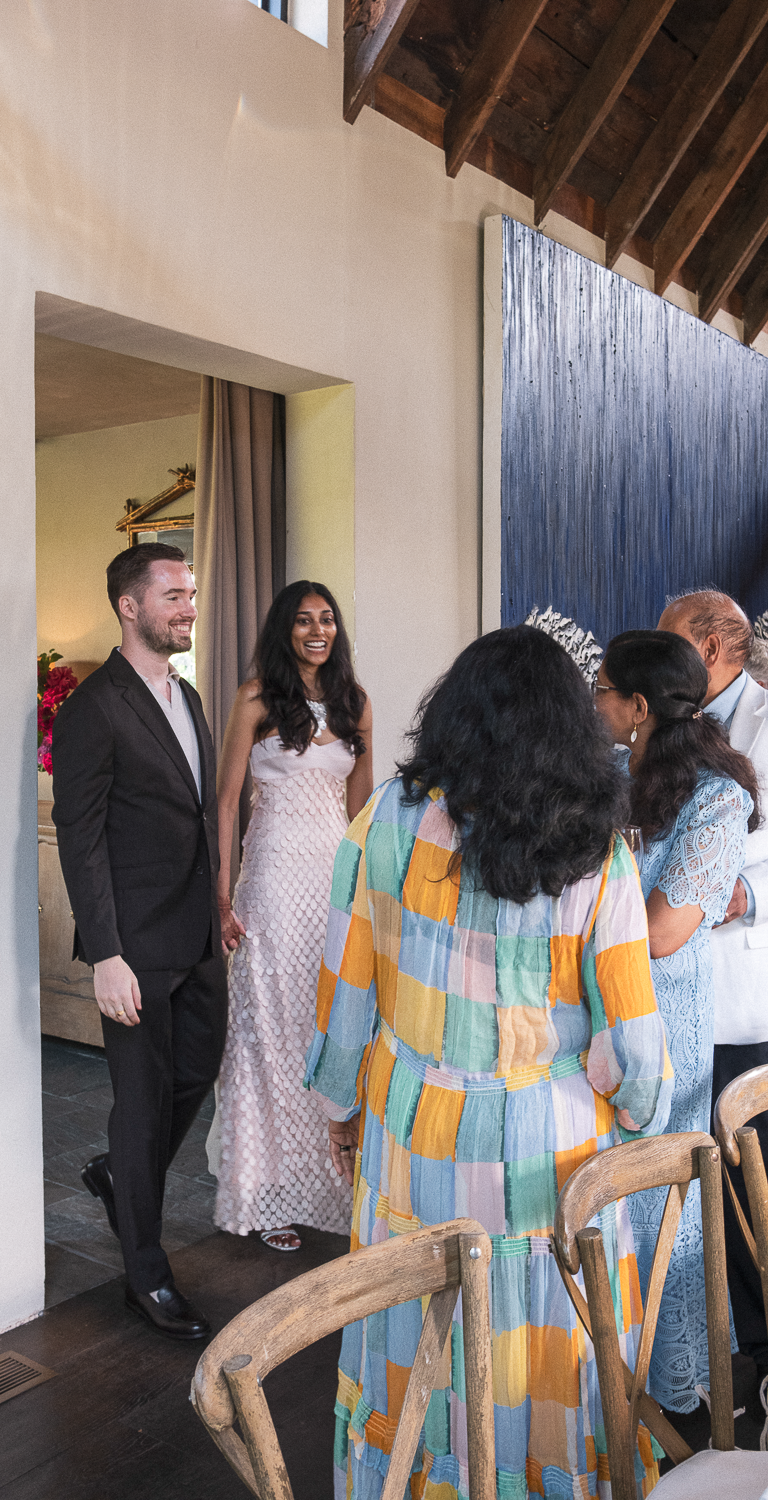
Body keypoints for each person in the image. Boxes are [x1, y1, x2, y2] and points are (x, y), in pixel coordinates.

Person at [305, 626, 674, 1499]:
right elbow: (636, 1049)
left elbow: (344, 988)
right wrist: (634, 1108)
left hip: (413, 1136)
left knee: (419, 1332)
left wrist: (340, 1107)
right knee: (541, 1349)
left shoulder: (385, 821)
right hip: (553, 1154)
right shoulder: (597, 844)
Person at [50, 542, 234, 1340]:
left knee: (198, 1067)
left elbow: (193, 816)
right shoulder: (94, 707)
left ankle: (122, 1179)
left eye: (190, 594)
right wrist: (107, 954)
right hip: (135, 947)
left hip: (196, 936)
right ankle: (146, 1276)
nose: (188, 606)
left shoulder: (185, 696)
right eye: (174, 596)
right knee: (139, 1100)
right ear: (130, 606)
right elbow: (79, 833)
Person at [594, 628, 758, 1414]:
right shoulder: (604, 774)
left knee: (668, 1206)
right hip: (597, 1013)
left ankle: (679, 1390)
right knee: (606, 1199)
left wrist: (586, 903)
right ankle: (609, 1378)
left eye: (602, 689)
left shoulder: (719, 795)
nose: (592, 703)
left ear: (638, 704)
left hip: (669, 1020)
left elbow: (665, 930)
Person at [212, 582, 372, 1250]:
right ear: (285, 629)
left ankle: (339, 1186)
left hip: (333, 883)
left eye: (327, 619)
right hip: (273, 883)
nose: (317, 630)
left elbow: (364, 814)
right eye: (304, 620)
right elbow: (223, 805)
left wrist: (367, 895)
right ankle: (269, 1191)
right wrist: (220, 896)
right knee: (270, 1034)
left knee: (328, 1023)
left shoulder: (355, 703)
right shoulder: (255, 699)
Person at [657, 591, 768, 1375]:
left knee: (755, 1194)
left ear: (710, 644)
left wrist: (748, 893)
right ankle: (713, 1358)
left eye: (671, 646)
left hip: (744, 996)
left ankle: (760, 1365)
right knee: (698, 1193)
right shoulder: (667, 729)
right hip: (673, 998)